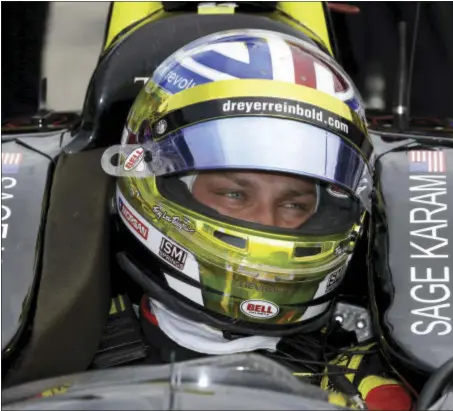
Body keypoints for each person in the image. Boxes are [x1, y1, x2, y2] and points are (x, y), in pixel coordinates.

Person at [103, 29, 413, 410]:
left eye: (295, 205)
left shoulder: (375, 391)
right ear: (155, 183)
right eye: (235, 195)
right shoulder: (62, 352)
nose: (266, 223)